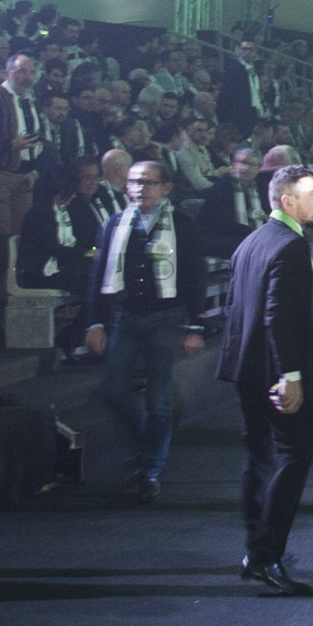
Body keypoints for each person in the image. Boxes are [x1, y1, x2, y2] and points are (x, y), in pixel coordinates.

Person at [220, 168, 313, 594]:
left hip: (248, 369)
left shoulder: (253, 241)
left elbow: (238, 309)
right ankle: (267, 555)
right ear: (287, 201)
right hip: (276, 374)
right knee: (295, 454)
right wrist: (291, 376)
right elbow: (276, 317)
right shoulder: (289, 245)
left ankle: (257, 551)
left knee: (261, 459)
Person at [81, 156, 209, 505]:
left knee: (158, 399)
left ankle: (151, 470)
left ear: (166, 188)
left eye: (149, 182)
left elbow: (195, 275)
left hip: (166, 318)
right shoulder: (115, 223)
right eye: (135, 182)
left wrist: (194, 326)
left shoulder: (181, 224)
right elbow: (99, 276)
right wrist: (95, 321)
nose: (141, 189)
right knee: (112, 389)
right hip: (126, 316)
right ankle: (148, 439)